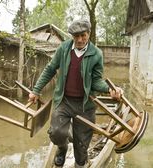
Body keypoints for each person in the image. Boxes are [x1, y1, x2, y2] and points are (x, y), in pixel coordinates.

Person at [28, 19, 122, 168]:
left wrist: (110, 89)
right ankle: (62, 148)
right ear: (72, 36)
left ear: (89, 34)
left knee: (81, 145)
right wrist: (36, 90)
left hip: (85, 104)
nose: (79, 40)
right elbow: (50, 69)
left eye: (83, 36)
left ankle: (80, 163)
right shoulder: (64, 49)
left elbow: (97, 81)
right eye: (76, 36)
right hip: (64, 100)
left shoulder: (96, 54)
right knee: (56, 132)